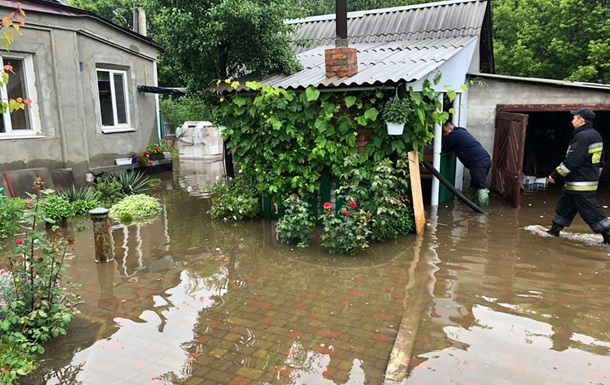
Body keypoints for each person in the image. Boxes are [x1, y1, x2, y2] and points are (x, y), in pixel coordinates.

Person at [546, 108, 610, 244]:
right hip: (581, 181)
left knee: (590, 211)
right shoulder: (595, 135)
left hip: (581, 183)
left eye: (574, 118)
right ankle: (554, 231)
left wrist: (555, 174)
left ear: (581, 120)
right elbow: (601, 160)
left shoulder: (582, 137)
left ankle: (608, 234)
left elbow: (573, 160)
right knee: (564, 205)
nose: (572, 120)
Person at [442, 121, 492, 206]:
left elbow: (446, 148)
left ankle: (482, 212)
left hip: (478, 162)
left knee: (480, 187)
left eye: (445, 132)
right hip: (484, 160)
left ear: (451, 128)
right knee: (474, 185)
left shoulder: (454, 135)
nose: (444, 135)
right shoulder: (461, 132)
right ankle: (471, 204)